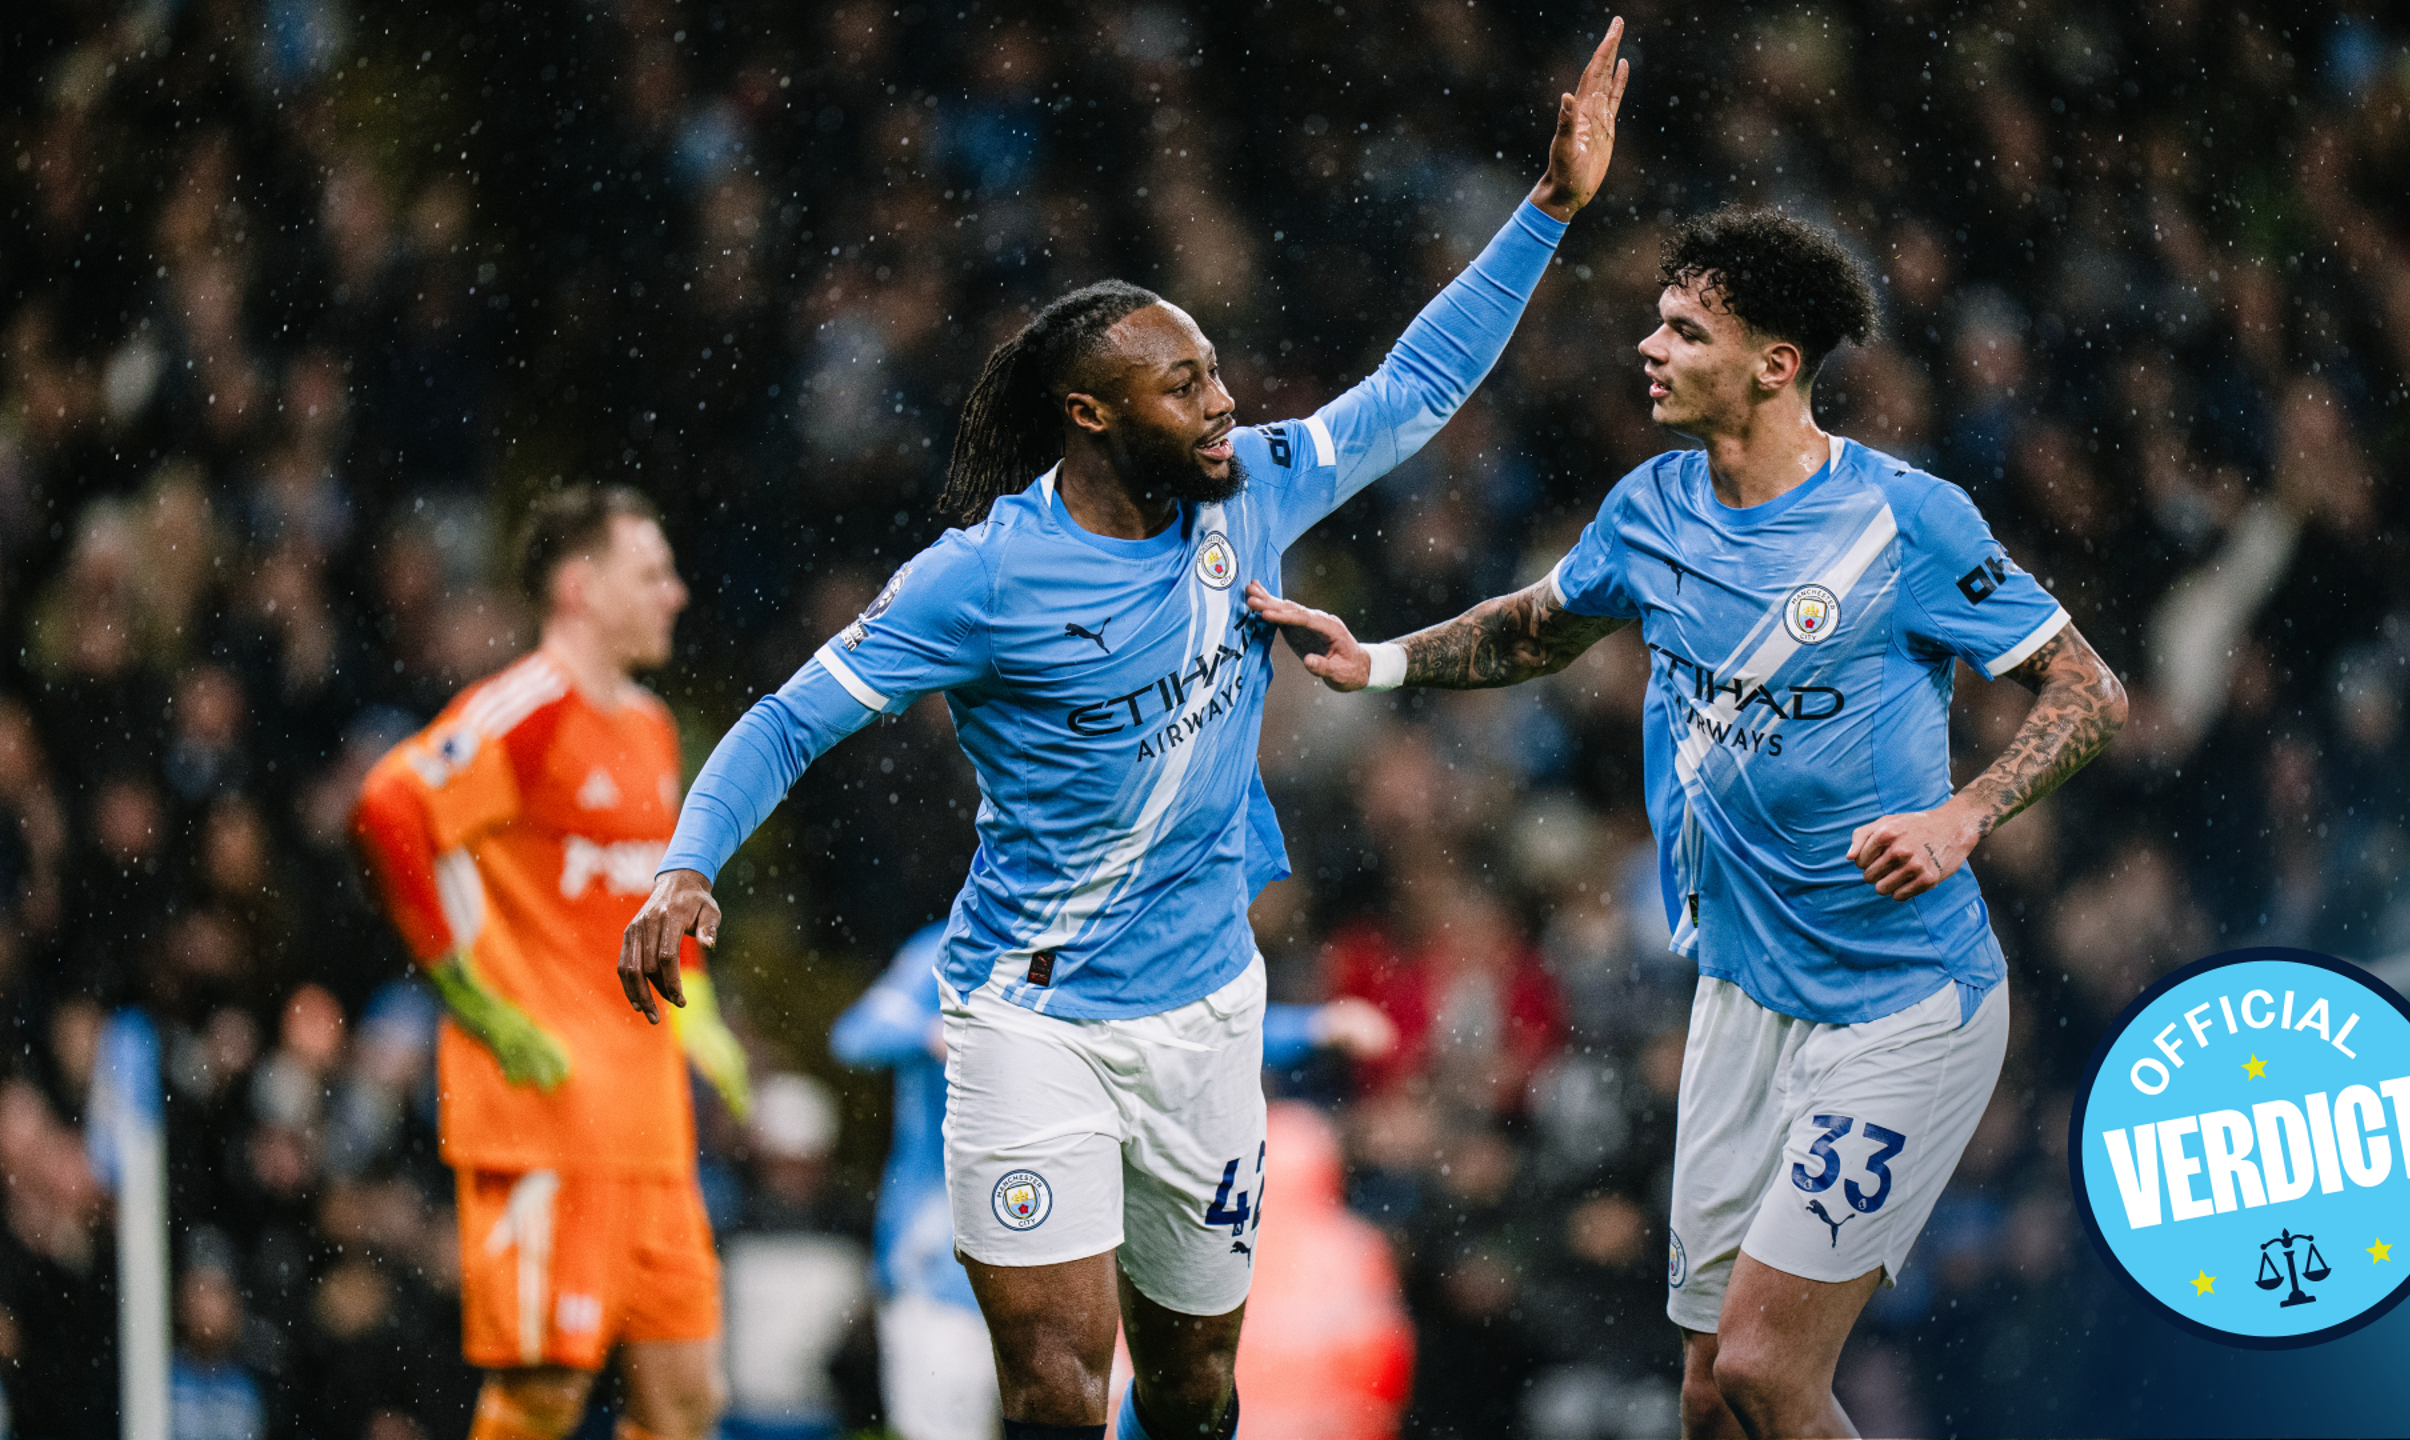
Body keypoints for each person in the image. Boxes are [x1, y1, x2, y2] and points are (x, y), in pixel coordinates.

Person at [618, 23, 1627, 1439]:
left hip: (1209, 1011)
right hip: (1032, 1020)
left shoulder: (1252, 489)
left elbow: (1411, 394)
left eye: (1217, 375)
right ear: (1090, 414)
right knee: (1052, 1387)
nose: (1225, 406)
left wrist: (1547, 213)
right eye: (1187, 388)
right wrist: (686, 863)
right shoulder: (980, 578)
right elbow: (787, 722)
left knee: (1198, 1384)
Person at [1248, 205, 2129, 1438]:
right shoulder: (1651, 505)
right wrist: (1381, 664)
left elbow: (2090, 687)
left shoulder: (1904, 519)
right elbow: (1535, 628)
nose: (1648, 348)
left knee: (1772, 1374)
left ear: (1775, 363)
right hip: (1738, 1002)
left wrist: (1965, 814)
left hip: (1900, 1007)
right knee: (1710, 1397)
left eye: (1684, 329)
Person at [351, 486, 754, 1440]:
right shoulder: (529, 709)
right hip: (546, 1120)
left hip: (649, 1129)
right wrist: (471, 997)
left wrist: (700, 1020)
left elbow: (645, 909)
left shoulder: (652, 728)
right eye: (651, 573)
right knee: (542, 1398)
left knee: (687, 1399)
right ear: (579, 586)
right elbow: (391, 806)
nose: (678, 593)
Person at [830, 922, 1395, 1440]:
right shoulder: (961, 944)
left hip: (1071, 1269)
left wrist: (1315, 1024)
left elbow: (1202, 1035)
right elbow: (858, 1034)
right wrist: (935, 1032)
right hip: (942, 1267)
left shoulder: (1111, 941)